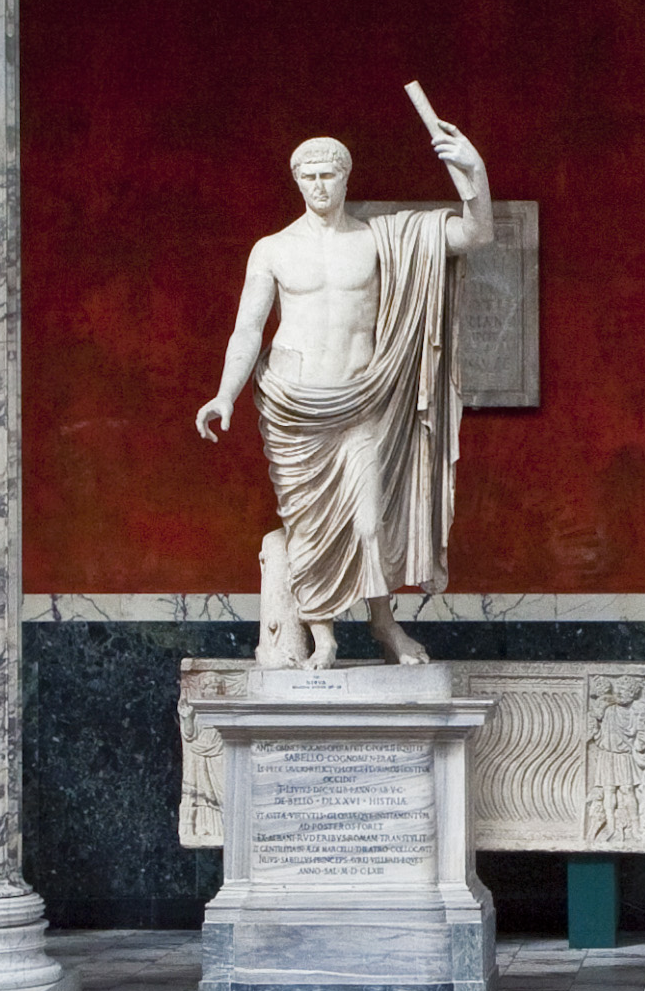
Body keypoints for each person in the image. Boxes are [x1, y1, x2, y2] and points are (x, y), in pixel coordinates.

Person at [197, 87, 489, 667]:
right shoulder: (273, 250)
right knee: (305, 526)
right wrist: (224, 394)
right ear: (296, 181)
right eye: (308, 176)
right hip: (293, 405)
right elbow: (247, 331)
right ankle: (323, 635)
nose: (319, 186)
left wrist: (473, 174)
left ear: (346, 179)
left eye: (329, 175)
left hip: (360, 402)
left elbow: (472, 235)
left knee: (367, 521)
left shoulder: (381, 241)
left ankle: (385, 628)